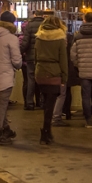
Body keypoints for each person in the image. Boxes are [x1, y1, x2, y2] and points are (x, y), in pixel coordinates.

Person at [0, 11, 23, 145]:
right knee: (2, 105)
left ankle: (5, 128)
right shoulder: (11, 38)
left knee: (2, 102)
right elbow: (17, 60)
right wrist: (17, 65)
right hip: (6, 74)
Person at [34, 16, 68, 145]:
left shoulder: (38, 37)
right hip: (54, 73)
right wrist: (64, 78)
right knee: (50, 104)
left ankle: (46, 132)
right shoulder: (60, 39)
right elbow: (63, 61)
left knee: (46, 103)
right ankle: (46, 132)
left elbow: (36, 56)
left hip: (40, 73)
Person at [20, 10, 45, 110]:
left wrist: (22, 52)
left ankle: (30, 103)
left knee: (31, 80)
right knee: (43, 80)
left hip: (30, 57)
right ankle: (43, 102)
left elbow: (25, 42)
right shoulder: (45, 25)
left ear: (34, 15)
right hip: (43, 57)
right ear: (43, 15)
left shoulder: (29, 26)